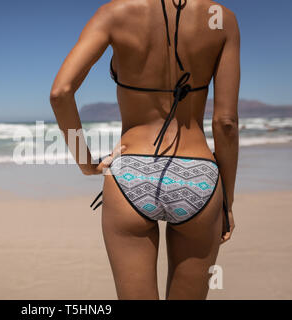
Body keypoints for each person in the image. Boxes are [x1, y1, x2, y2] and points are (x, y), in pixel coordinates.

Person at [50, 0, 239, 300]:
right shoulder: (222, 19)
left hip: (129, 174)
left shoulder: (116, 12)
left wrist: (86, 162)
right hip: (199, 177)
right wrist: (226, 201)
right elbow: (225, 123)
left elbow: (60, 93)